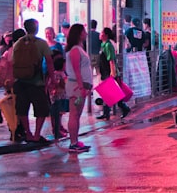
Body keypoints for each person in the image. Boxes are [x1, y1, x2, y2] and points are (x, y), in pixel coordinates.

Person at [12, 18, 54, 144]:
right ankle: (36, 135)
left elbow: (12, 62)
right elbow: (49, 62)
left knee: (22, 109)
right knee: (41, 109)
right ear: (36, 28)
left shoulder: (18, 43)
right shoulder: (41, 43)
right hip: (36, 82)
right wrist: (52, 78)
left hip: (20, 81)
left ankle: (28, 133)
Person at [64, 23, 92, 152]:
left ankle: (75, 141)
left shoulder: (78, 48)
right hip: (76, 86)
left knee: (77, 114)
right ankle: (73, 143)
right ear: (79, 33)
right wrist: (81, 87)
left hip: (80, 86)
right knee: (74, 114)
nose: (86, 33)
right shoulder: (75, 50)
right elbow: (76, 70)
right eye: (84, 31)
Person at [96, 27, 131, 119]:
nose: (100, 34)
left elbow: (111, 60)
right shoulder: (103, 45)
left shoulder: (108, 45)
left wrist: (113, 72)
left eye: (101, 33)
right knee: (106, 94)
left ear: (106, 35)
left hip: (110, 72)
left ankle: (124, 108)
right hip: (104, 72)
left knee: (114, 94)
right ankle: (106, 113)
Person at [47, 55, 68, 139]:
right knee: (58, 114)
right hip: (59, 97)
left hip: (54, 97)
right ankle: (57, 130)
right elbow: (64, 84)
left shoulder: (53, 74)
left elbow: (49, 85)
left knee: (55, 114)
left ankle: (57, 128)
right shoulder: (61, 74)